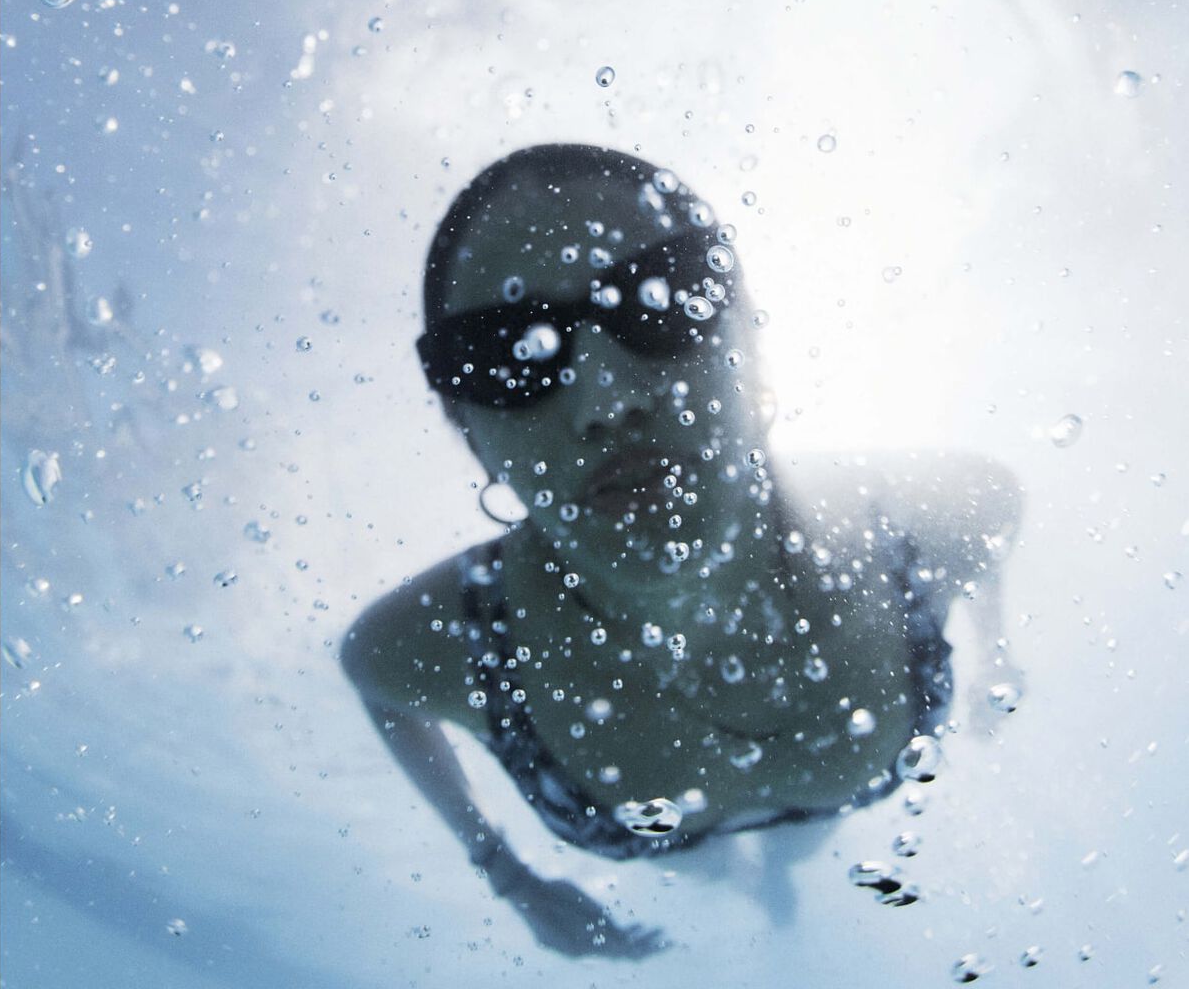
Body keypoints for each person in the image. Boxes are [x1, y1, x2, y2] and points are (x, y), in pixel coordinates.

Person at [340, 143, 1020, 956]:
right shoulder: (456, 639)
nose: (607, 401)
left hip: (824, 796)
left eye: (661, 304)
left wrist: (1000, 646)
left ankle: (779, 877)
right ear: (469, 433)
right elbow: (373, 681)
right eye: (506, 356)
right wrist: (506, 875)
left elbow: (996, 507)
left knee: (798, 841)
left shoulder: (907, 523)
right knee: (700, 865)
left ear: (752, 340)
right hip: (688, 835)